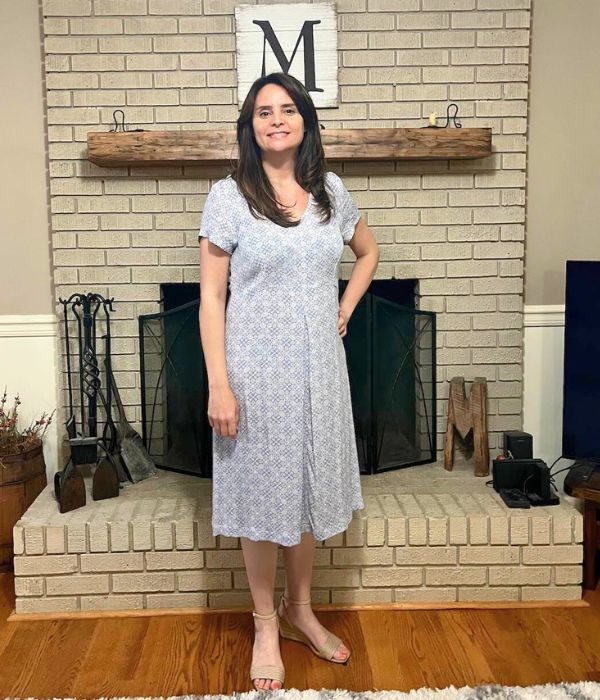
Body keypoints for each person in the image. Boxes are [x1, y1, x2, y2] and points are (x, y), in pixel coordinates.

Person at [198, 72, 380, 689]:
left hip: (321, 375)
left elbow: (368, 253)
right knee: (261, 499)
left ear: (305, 119)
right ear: (251, 128)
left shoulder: (329, 191)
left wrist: (345, 309)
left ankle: (302, 610)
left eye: (287, 109)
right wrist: (219, 385)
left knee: (307, 493)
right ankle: (265, 623)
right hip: (253, 375)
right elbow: (210, 297)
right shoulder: (229, 196)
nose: (276, 119)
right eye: (262, 112)